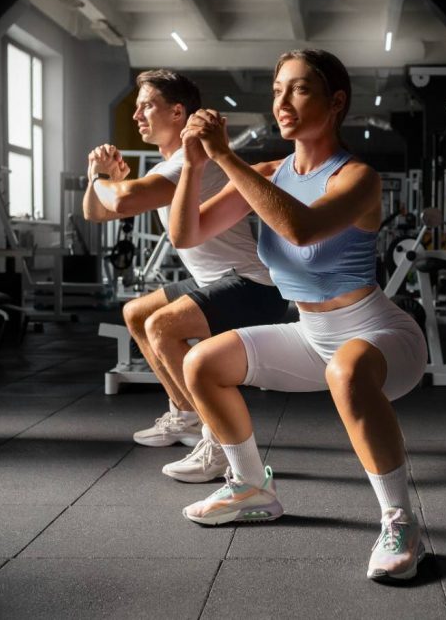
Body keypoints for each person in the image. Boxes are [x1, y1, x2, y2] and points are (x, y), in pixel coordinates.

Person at [171, 49, 428, 582]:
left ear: (336, 102)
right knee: (202, 364)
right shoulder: (267, 172)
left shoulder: (358, 177)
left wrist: (225, 157)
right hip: (311, 335)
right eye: (277, 90)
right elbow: (186, 234)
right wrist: (194, 165)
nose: (282, 101)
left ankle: (400, 523)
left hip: (378, 334)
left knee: (347, 372)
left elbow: (302, 229)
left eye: (299, 89)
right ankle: (251, 488)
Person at [83, 69, 287, 481]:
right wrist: (97, 178)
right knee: (137, 313)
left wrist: (106, 178)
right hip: (217, 280)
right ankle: (185, 416)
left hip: (252, 285)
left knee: (162, 326)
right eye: (137, 107)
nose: (137, 115)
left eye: (147, 106)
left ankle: (218, 442)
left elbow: (122, 200)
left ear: (178, 112)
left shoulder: (190, 162)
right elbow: (96, 212)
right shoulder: (171, 164)